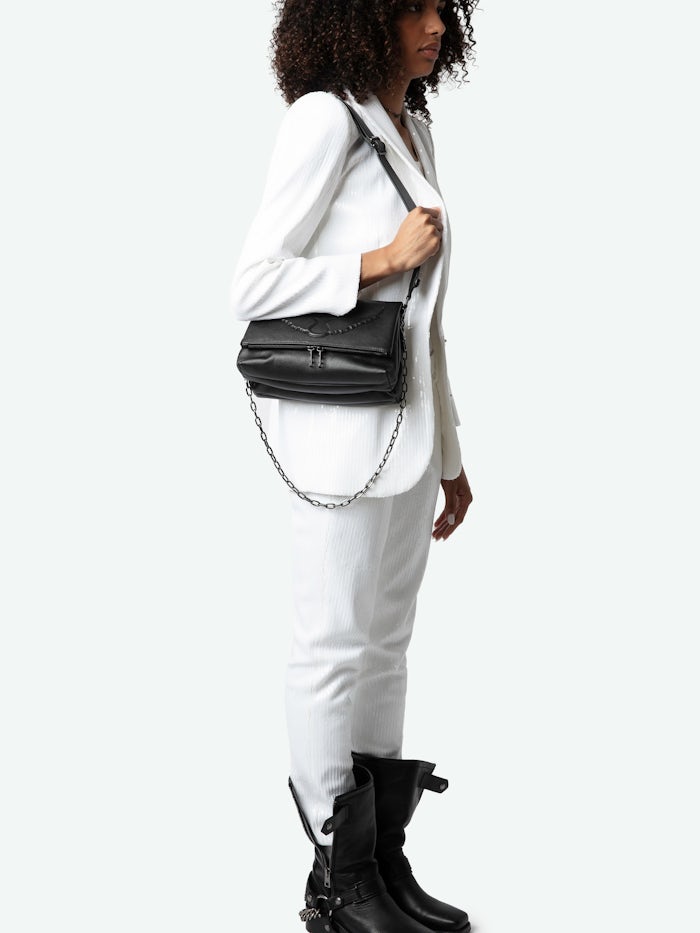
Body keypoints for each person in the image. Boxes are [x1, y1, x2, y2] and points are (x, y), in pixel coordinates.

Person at [231, 1, 478, 931]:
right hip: (338, 445)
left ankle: (379, 861)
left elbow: (427, 326)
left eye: (442, 5)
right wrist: (377, 258)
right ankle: (336, 880)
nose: (435, 24)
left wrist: (451, 455)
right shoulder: (323, 120)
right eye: (412, 6)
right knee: (331, 648)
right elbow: (254, 281)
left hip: (408, 441)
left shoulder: (410, 129)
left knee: (384, 649)